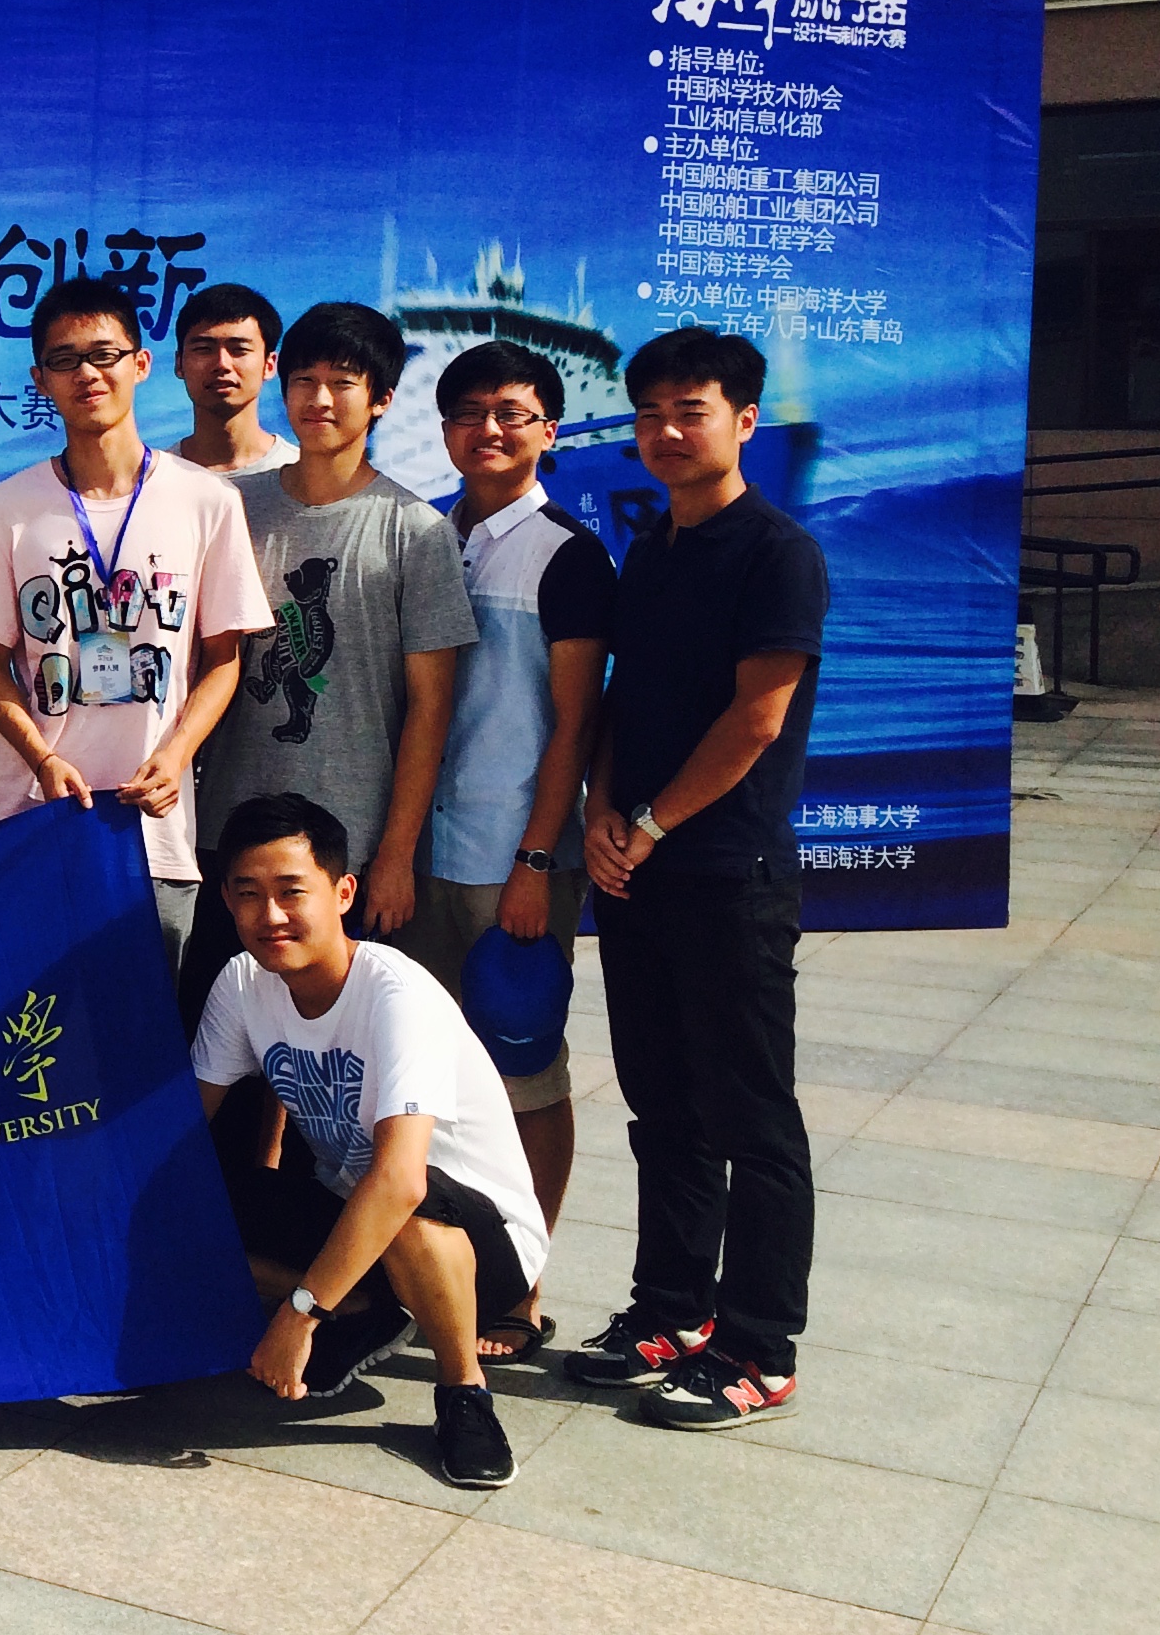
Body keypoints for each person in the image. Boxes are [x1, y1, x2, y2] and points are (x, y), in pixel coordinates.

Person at [566, 327, 826, 1431]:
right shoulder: (652, 549)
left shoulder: (777, 553)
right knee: (662, 1102)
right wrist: (602, 812)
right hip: (641, 868)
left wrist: (653, 823)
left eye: (693, 412)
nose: (668, 432)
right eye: (651, 414)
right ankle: (671, 1310)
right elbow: (623, 698)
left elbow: (756, 718)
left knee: (750, 1114)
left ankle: (760, 1345)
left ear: (744, 421)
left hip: (728, 871)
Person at [193, 793, 544, 1492]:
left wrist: (296, 1317)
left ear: (343, 893)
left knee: (408, 1205)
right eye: (248, 894)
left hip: (479, 1243)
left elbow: (401, 1180)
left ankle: (464, 1394)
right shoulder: (242, 982)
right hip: (356, 1214)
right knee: (187, 1195)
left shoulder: (394, 993)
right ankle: (361, 1311)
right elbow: (186, 1127)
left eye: (292, 892)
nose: (271, 915)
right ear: (227, 901)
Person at [0, 277, 271, 963]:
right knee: (21, 1023)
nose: (87, 374)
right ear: (40, 379)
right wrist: (42, 759)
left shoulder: (207, 501)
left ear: (141, 363)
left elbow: (224, 660)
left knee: (141, 1022)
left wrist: (176, 755)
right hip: (25, 820)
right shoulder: (5, 508)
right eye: (65, 360)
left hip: (151, 829)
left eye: (104, 354)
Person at [404, 340, 614, 1357]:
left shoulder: (567, 555)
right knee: (427, 1079)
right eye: (469, 413)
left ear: (548, 430)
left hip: (511, 860)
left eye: (512, 413)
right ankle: (438, 1268)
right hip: (422, 853)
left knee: (524, 1072)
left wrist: (537, 862)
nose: (489, 430)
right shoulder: (427, 537)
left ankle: (521, 1288)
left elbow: (575, 725)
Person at [190, 300, 476, 1026]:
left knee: (340, 1049)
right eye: (304, 380)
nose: (319, 399)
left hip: (349, 850)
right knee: (218, 1038)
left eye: (343, 382)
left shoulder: (416, 531)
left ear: (381, 398)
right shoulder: (228, 508)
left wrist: (395, 856)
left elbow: (430, 709)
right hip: (228, 835)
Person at [172, 283, 298, 477]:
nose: (222, 364)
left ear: (269, 364)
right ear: (179, 363)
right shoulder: (151, 480)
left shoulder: (302, 476)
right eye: (204, 349)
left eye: (239, 350)